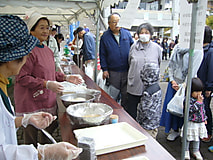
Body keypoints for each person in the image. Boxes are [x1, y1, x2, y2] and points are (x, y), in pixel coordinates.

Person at [0, 14, 82, 160]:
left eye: (47, 28)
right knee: (30, 138)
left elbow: (50, 72)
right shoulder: (31, 54)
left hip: (46, 101)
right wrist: (40, 154)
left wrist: (65, 77)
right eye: (41, 28)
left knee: (46, 133)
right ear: (10, 59)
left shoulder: (48, 51)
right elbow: (4, 151)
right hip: (30, 101)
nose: (26, 58)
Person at [160, 44, 203, 141]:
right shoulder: (177, 47)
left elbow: (193, 70)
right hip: (174, 83)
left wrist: (182, 85)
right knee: (172, 108)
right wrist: (172, 80)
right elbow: (171, 65)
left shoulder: (197, 50)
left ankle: (184, 131)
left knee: (185, 108)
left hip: (187, 85)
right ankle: (174, 130)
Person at [126, 23, 162, 120]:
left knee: (148, 113)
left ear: (151, 34)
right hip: (134, 84)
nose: (144, 35)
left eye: (146, 32)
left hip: (150, 88)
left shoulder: (157, 48)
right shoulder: (133, 47)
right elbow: (129, 62)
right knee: (132, 112)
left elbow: (159, 64)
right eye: (142, 33)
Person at [99, 12, 134, 109]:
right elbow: (102, 54)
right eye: (114, 22)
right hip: (113, 72)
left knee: (126, 96)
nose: (117, 24)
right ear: (109, 23)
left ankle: (125, 115)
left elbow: (133, 49)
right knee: (112, 95)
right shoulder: (105, 37)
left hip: (127, 71)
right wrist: (104, 69)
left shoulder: (127, 34)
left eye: (119, 21)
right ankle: (112, 112)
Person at [181, 77, 207, 160]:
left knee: (197, 137)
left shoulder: (200, 99)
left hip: (199, 122)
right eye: (196, 91)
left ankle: (196, 150)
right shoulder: (188, 100)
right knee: (188, 136)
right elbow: (190, 110)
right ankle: (186, 150)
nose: (199, 93)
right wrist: (198, 103)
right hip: (191, 121)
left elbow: (203, 109)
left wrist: (204, 118)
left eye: (200, 91)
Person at [136, 63, 162, 139]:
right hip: (155, 123)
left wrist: (139, 121)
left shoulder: (147, 92)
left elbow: (144, 111)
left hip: (146, 126)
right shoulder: (157, 87)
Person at [197, 26, 213, 142]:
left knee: (205, 108)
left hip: (205, 86)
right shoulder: (199, 49)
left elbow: (211, 70)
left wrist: (209, 87)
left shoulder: (210, 51)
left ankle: (208, 131)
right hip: (197, 84)